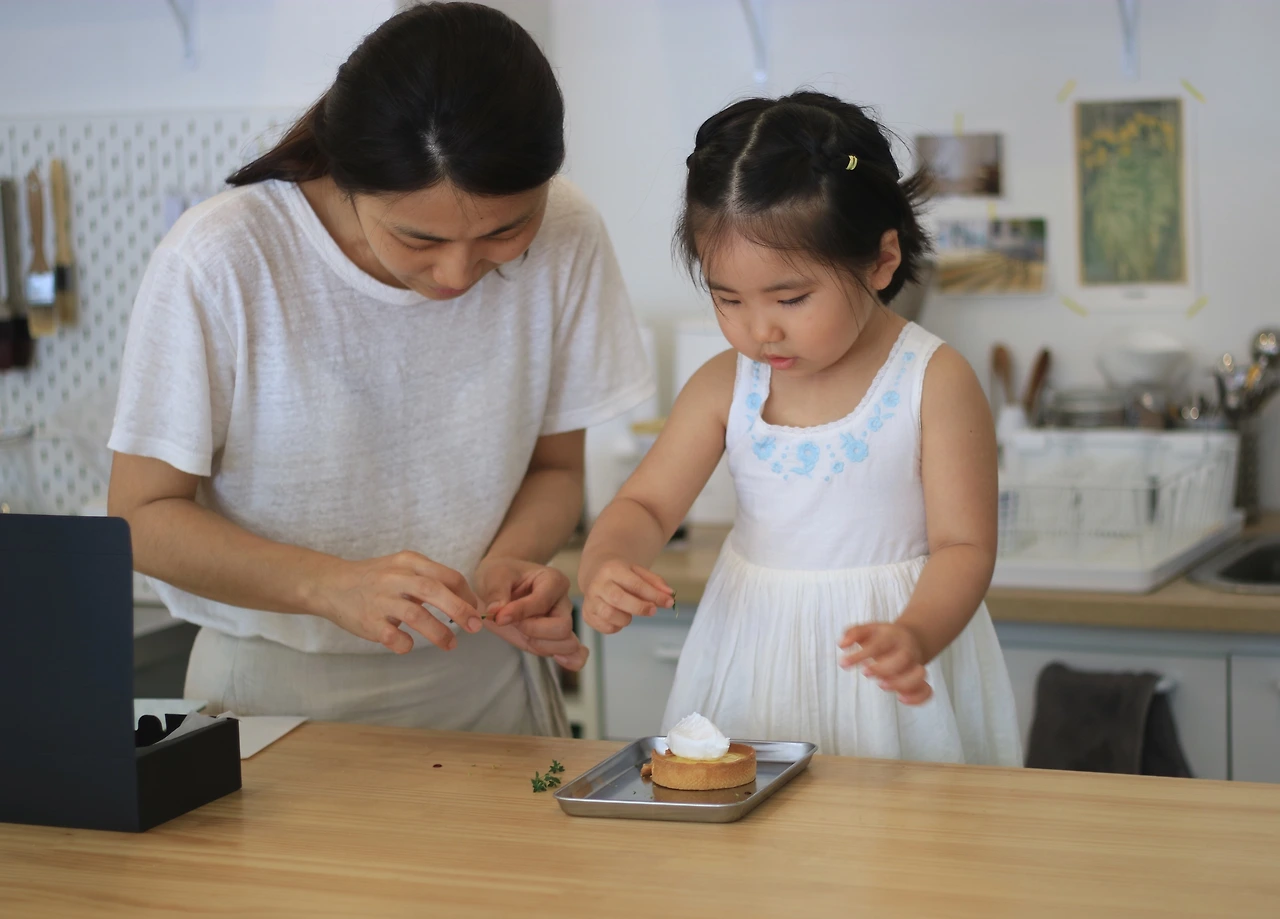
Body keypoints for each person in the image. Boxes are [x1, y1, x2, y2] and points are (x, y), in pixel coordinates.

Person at [107, 3, 653, 735]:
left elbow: (555, 469)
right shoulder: (223, 257)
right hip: (271, 689)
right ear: (347, 177)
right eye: (418, 239)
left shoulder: (568, 231)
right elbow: (141, 516)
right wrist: (328, 585)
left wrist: (507, 563)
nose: (457, 273)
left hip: (485, 676)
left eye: (505, 231)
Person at [578, 92, 1021, 764]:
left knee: (899, 827)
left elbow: (964, 547)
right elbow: (646, 504)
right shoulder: (726, 384)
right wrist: (605, 563)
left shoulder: (933, 380)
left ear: (881, 261)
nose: (760, 329)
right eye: (728, 299)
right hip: (753, 653)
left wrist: (915, 635)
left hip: (887, 655)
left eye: (791, 298)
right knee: (747, 817)